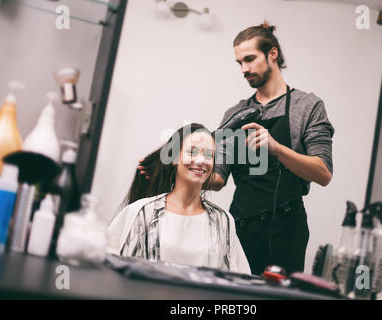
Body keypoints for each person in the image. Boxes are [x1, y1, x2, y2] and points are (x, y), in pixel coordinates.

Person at [138, 21, 335, 276]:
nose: (244, 69)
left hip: (287, 228)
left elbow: (323, 173)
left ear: (272, 53)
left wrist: (277, 149)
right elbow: (218, 177)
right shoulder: (235, 114)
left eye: (250, 59)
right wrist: (174, 173)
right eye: (239, 63)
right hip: (240, 226)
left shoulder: (307, 106)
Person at [107, 123, 251, 275]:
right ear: (174, 158)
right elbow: (108, 264)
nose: (202, 160)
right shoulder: (141, 212)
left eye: (209, 155)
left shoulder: (222, 220)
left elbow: (239, 275)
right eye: (192, 152)